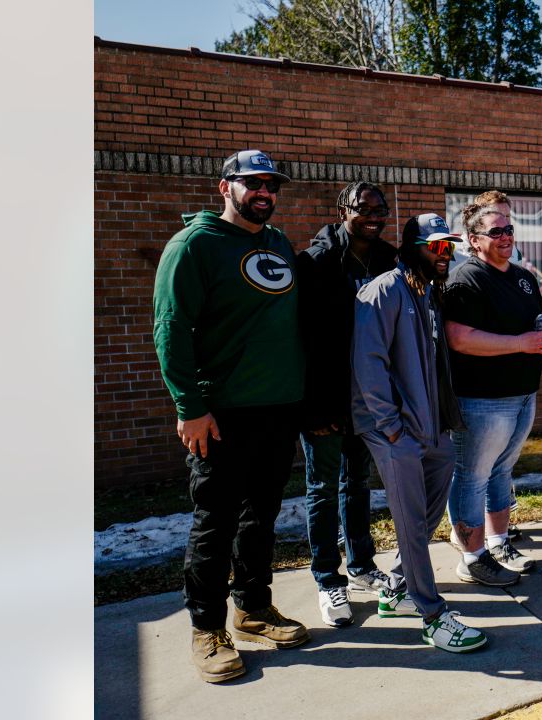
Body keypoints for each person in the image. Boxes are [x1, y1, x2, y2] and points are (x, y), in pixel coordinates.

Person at [153, 149, 309, 683]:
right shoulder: (194, 246)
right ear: (225, 187)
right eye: (253, 184)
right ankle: (206, 627)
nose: (265, 193)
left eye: (272, 185)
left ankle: (252, 608)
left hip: (278, 409)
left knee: (261, 516)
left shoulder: (277, 242)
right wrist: (189, 408)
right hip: (221, 416)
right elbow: (171, 330)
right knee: (215, 523)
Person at [351, 212, 488, 653]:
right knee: (410, 523)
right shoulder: (382, 291)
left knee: (426, 511)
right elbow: (368, 364)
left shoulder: (427, 294)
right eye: (437, 246)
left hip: (430, 427)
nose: (445, 253)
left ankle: (395, 586)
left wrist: (438, 426)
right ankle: (431, 615)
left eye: (448, 246)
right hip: (393, 430)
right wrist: (391, 428)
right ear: (413, 249)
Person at [295, 180, 399, 628]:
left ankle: (360, 565)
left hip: (367, 397)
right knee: (322, 489)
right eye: (364, 208)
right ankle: (326, 578)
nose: (374, 216)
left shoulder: (388, 260)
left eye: (381, 209)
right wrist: (311, 409)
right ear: (343, 210)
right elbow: (300, 339)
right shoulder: (316, 262)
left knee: (358, 483)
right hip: (325, 399)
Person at [442, 204, 542, 586]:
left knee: (502, 472)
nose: (506, 236)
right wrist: (522, 343)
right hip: (483, 400)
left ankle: (498, 543)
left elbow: (536, 322)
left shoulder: (522, 277)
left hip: (523, 393)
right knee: (472, 476)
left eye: (509, 229)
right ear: (474, 241)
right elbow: (459, 338)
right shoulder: (465, 279)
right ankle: (471, 557)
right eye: (496, 231)